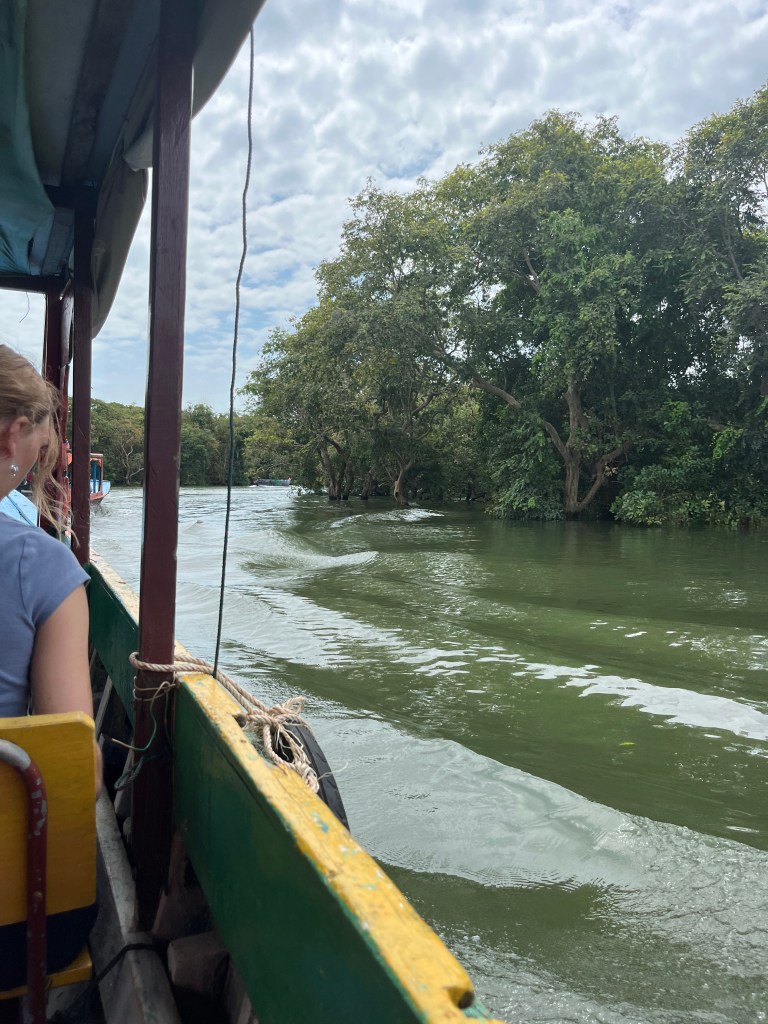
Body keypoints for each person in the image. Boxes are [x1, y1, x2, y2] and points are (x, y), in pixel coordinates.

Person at [0, 345, 101, 992]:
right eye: (41, 446)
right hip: (17, 928)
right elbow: (75, 777)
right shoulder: (45, 566)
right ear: (14, 433)